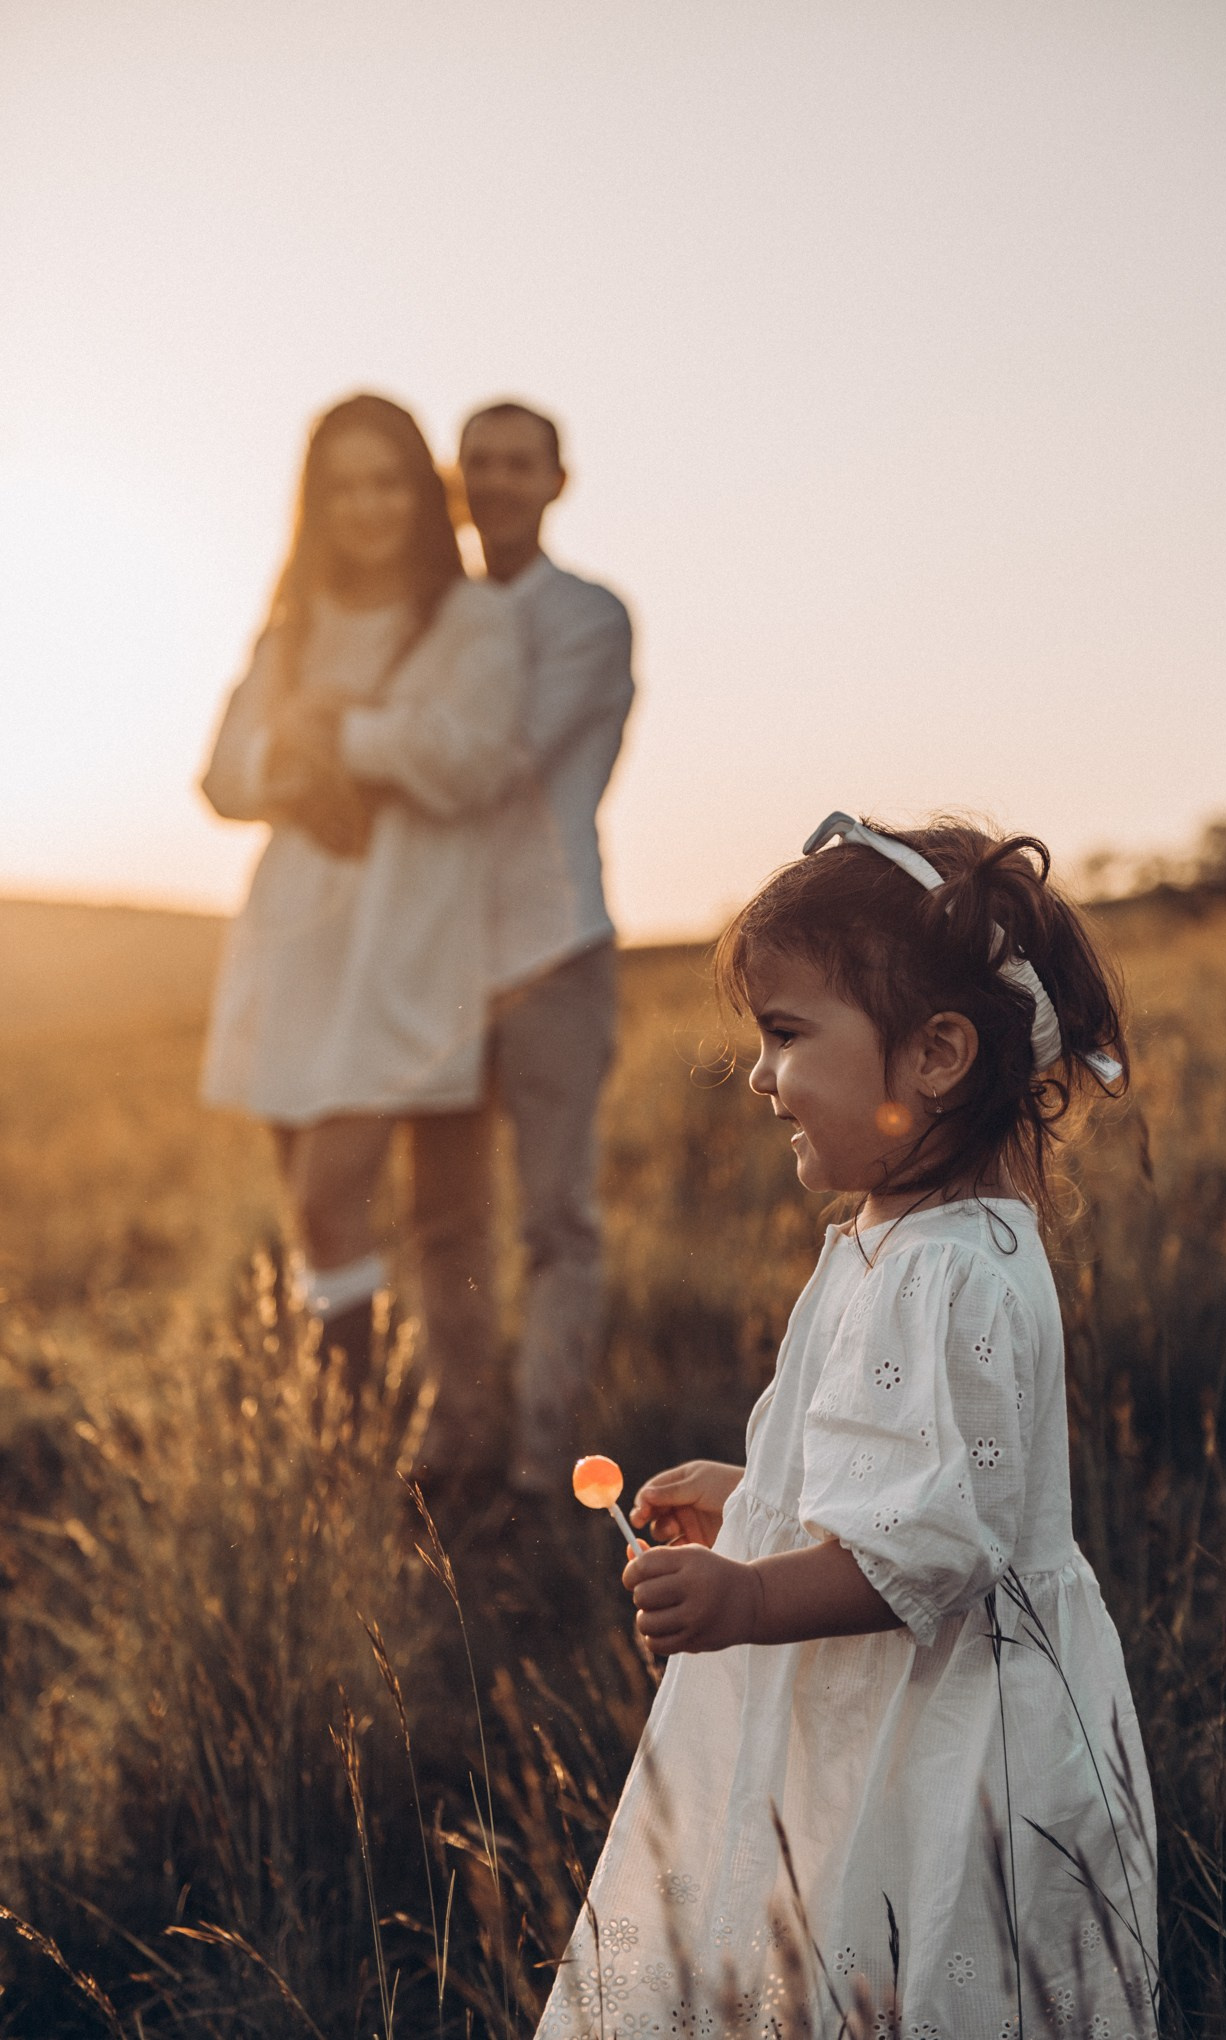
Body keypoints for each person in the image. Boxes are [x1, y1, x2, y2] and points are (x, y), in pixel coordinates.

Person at [536, 814, 1158, 2039]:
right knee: (836, 1935)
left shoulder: (951, 1274)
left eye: (785, 1035)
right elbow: (894, 1469)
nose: (761, 1075)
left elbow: (936, 1543)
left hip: (947, 1723)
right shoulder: (895, 1242)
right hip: (894, 1692)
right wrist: (756, 1493)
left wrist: (752, 1599)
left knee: (920, 1946)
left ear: (933, 1054)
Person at [199, 392, 525, 1415]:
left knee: (331, 1194)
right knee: (315, 1216)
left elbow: (470, 761)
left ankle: (367, 1425)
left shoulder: (472, 619)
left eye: (386, 481)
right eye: (341, 487)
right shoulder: (293, 625)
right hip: (294, 940)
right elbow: (223, 777)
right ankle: (354, 1427)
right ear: (316, 502)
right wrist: (296, 753)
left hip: (402, 943)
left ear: (422, 492)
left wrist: (340, 733)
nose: (366, 506)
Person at [414, 400, 635, 1499]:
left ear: (557, 481)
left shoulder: (590, 617)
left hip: (556, 948)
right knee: (442, 1216)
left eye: (518, 463)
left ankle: (545, 1462)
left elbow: (498, 760)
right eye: (478, 465)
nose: (497, 481)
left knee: (555, 1218)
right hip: (436, 963)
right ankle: (455, 1441)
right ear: (456, 484)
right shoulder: (428, 618)